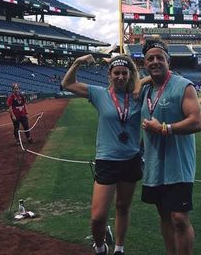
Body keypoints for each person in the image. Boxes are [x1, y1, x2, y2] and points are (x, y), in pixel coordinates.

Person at [61, 54, 143, 255]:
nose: (121, 77)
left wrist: (140, 84)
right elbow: (67, 83)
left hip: (131, 159)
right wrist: (78, 62)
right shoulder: (99, 94)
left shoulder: (137, 95)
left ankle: (119, 249)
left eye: (125, 73)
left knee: (123, 207)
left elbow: (159, 78)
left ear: (130, 74)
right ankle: (100, 247)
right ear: (110, 75)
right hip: (107, 160)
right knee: (98, 216)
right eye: (117, 73)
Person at [140, 38, 201, 255]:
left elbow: (196, 122)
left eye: (160, 58)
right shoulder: (146, 90)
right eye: (150, 59)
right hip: (154, 166)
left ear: (169, 60)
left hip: (179, 166)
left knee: (179, 219)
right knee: (164, 215)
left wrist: (164, 128)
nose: (155, 61)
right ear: (144, 64)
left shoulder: (183, 85)